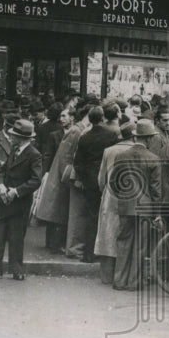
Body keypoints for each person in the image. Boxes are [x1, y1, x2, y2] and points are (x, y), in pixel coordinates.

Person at [0, 119, 43, 280]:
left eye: (14, 135)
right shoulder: (15, 150)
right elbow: (3, 170)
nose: (10, 137)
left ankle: (17, 269)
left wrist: (16, 191)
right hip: (5, 197)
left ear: (22, 138)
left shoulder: (34, 154)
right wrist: (1, 185)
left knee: (16, 236)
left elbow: (36, 180)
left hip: (19, 201)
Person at [112, 120, 163, 290]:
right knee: (141, 246)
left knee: (123, 242)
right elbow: (156, 191)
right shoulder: (154, 159)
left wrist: (123, 196)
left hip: (125, 205)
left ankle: (119, 280)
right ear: (148, 139)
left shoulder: (121, 156)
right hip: (145, 207)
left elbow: (113, 183)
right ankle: (134, 282)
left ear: (135, 138)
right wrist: (157, 214)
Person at [70, 105, 120, 262]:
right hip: (107, 179)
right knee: (107, 215)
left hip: (90, 182)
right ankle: (105, 253)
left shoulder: (85, 137)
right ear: (103, 118)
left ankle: (89, 253)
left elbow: (78, 163)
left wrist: (86, 177)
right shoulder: (111, 135)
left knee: (91, 216)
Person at [35, 107, 84, 254]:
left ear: (72, 118)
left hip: (64, 175)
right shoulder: (54, 135)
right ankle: (52, 242)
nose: (61, 119)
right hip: (54, 174)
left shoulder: (75, 133)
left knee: (59, 209)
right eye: (61, 116)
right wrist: (45, 173)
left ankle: (57, 242)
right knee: (53, 208)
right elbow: (48, 155)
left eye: (64, 116)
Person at [94, 121, 137, 284]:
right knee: (125, 236)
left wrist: (104, 191)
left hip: (110, 195)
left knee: (107, 234)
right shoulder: (137, 150)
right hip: (131, 196)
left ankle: (106, 275)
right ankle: (123, 275)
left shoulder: (109, 151)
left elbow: (101, 178)